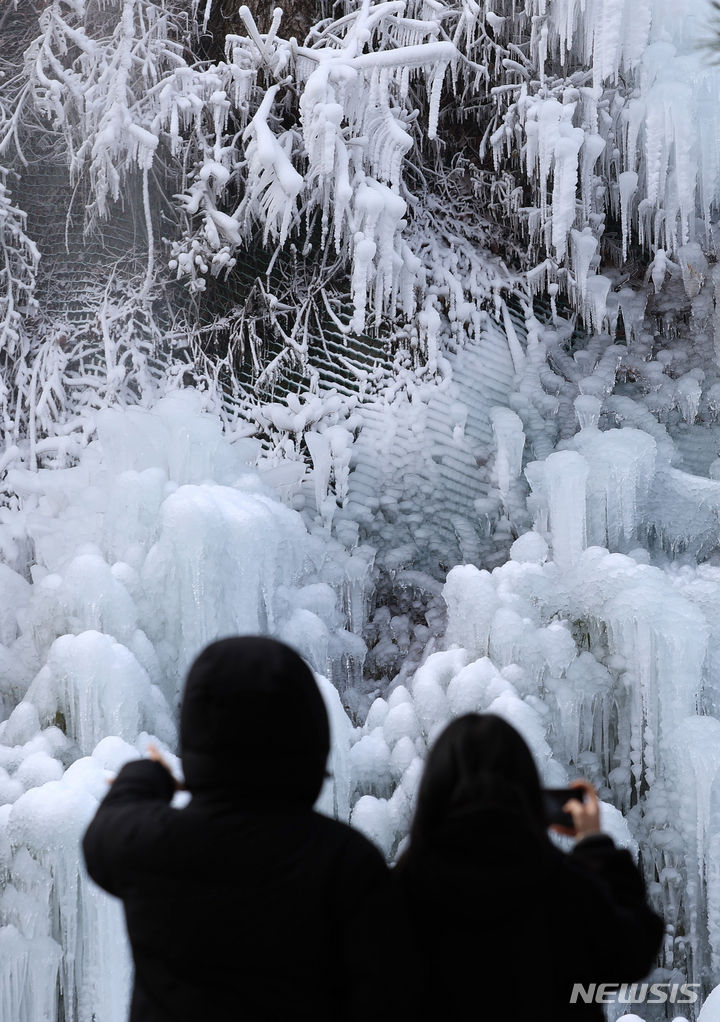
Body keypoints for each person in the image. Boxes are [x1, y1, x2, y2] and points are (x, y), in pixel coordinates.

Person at [83, 636, 390, 1022]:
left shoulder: (153, 846)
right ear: (309, 732)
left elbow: (107, 828)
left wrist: (148, 773)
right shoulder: (346, 864)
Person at [393, 713, 664, 1021]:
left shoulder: (395, 898)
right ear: (529, 793)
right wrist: (594, 847)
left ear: (433, 794)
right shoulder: (566, 892)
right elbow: (633, 949)